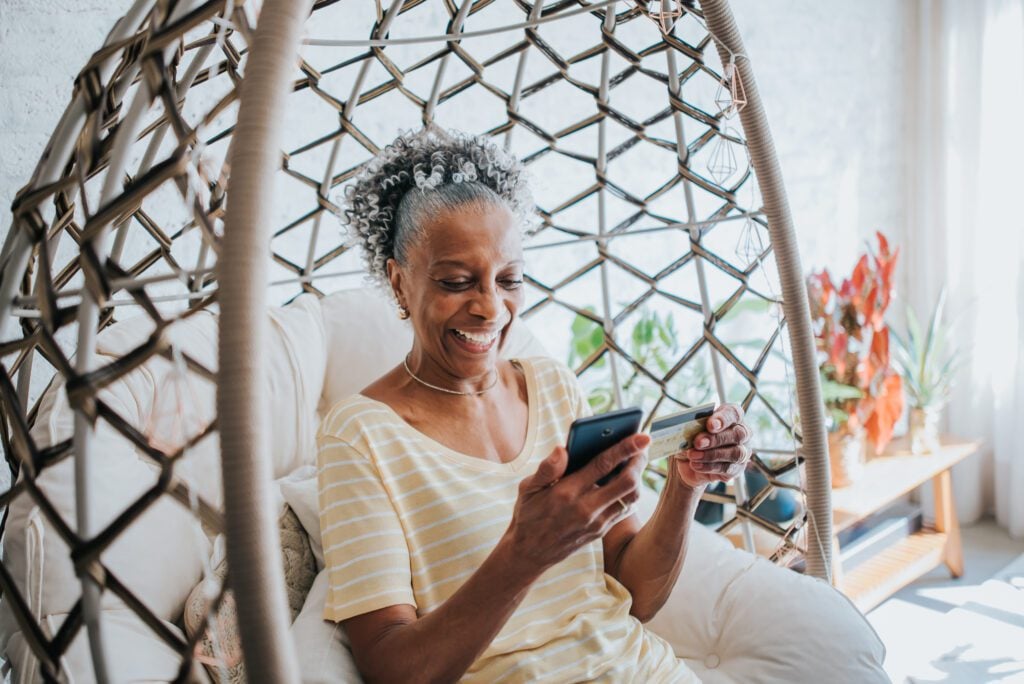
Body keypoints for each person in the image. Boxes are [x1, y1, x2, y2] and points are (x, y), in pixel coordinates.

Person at [316, 127, 753, 683]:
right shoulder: (359, 436)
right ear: (400, 284)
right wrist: (525, 552)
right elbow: (394, 670)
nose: (490, 308)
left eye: (509, 279)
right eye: (456, 281)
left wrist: (685, 484)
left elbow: (633, 594)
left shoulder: (550, 386)